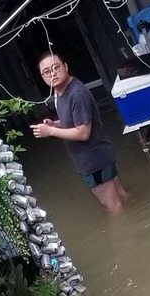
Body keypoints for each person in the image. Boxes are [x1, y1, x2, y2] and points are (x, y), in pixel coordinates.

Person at [33, 52, 127, 212]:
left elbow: (83, 133)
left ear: (65, 66)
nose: (52, 74)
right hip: (98, 155)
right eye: (46, 72)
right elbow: (74, 120)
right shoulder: (59, 92)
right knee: (121, 196)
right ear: (42, 76)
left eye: (56, 68)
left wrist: (50, 131)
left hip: (94, 161)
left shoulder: (77, 94)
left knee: (113, 207)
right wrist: (56, 124)